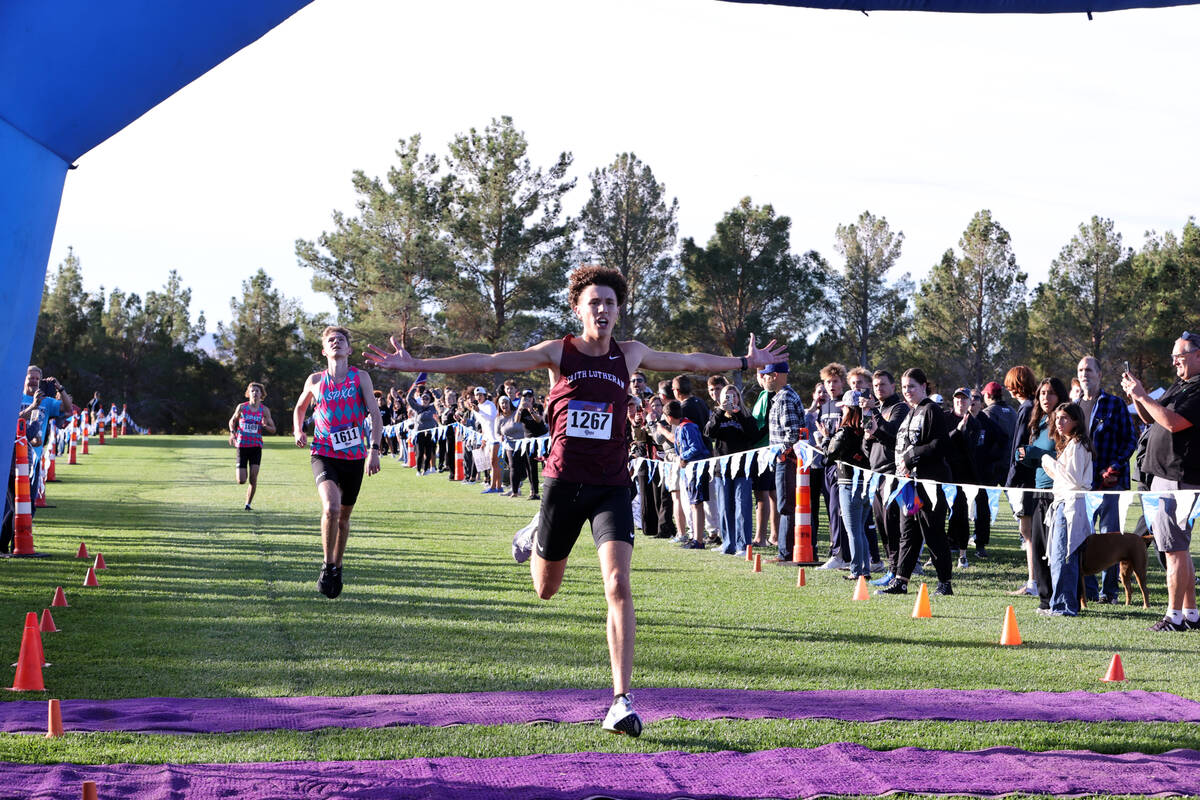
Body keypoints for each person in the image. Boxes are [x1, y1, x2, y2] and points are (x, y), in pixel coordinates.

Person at [364, 264, 785, 735]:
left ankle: (621, 700)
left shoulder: (631, 354)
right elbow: (488, 361)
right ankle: (537, 530)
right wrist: (416, 366)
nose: (602, 310)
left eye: (609, 303)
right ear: (578, 309)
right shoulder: (557, 352)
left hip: (611, 485)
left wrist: (746, 364)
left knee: (618, 586)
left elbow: (692, 362)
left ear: (618, 310)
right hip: (563, 484)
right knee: (546, 589)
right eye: (594, 303)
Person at [292, 326, 383, 599]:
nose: (336, 343)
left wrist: (375, 450)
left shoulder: (360, 378)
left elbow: (375, 415)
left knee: (343, 519)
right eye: (331, 340)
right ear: (324, 350)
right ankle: (327, 564)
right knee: (330, 508)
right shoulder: (315, 380)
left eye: (341, 340)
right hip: (323, 453)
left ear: (349, 349)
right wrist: (298, 430)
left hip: (354, 456)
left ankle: (338, 565)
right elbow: (299, 408)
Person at [1122, 333, 1200, 632]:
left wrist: (1143, 395)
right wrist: (1135, 395)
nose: (1174, 361)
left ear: (1198, 355)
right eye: (1172, 356)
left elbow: (1172, 422)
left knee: (1173, 548)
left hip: (1178, 480)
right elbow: (1150, 419)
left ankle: (1173, 616)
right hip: (1161, 478)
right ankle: (1191, 614)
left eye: (1180, 356)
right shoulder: (1181, 385)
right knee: (1177, 548)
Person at [878, 368, 954, 597]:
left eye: (912, 386)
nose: (907, 391)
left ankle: (944, 583)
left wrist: (913, 456)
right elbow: (900, 443)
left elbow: (940, 444)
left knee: (933, 532)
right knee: (908, 532)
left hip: (929, 484)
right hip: (908, 485)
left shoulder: (931, 409)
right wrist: (878, 432)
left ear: (923, 386)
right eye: (904, 387)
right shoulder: (911, 412)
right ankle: (901, 581)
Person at [1075, 356, 1137, 602]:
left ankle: (1109, 592)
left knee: (1110, 538)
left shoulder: (1115, 404)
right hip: (1083, 484)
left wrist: (1115, 467)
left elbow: (1130, 440)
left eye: (1089, 370)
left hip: (1111, 482)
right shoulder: (1074, 406)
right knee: (1085, 536)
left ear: (1099, 375)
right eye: (1080, 370)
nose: (1084, 374)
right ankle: (1088, 590)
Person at [1016, 377, 1069, 612]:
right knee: (1037, 547)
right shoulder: (1039, 422)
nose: (1046, 398)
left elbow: (1064, 456)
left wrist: (1036, 453)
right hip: (1038, 492)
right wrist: (1027, 456)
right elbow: (1039, 459)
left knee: (1056, 550)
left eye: (1051, 393)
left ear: (1061, 396)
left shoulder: (1064, 422)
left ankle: (1062, 599)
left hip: (1057, 493)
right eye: (1042, 393)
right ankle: (1045, 601)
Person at [1039, 402, 1093, 617]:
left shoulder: (1078, 445)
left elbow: (1073, 478)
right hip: (1064, 501)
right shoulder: (1071, 444)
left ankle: (1063, 606)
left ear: (1076, 421)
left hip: (1070, 505)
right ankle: (1061, 603)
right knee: (1060, 555)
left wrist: (1048, 461)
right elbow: (1064, 477)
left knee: (1063, 556)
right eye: (1057, 418)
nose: (1059, 423)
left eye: (1064, 419)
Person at [862, 370, 907, 586]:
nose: (879, 388)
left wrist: (875, 416)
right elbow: (867, 447)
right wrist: (867, 435)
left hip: (893, 474)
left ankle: (898, 570)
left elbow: (892, 434)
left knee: (893, 524)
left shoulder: (899, 408)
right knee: (881, 525)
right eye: (876, 385)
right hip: (876, 474)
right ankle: (892, 568)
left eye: (883, 385)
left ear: (893, 386)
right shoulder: (877, 409)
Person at [704, 384, 759, 556]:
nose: (731, 399)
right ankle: (728, 544)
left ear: (739, 398)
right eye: (727, 396)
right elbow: (708, 432)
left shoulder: (746, 415)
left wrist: (739, 414)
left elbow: (754, 434)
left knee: (742, 506)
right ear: (721, 399)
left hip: (743, 468)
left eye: (734, 396)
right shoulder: (717, 416)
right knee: (725, 507)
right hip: (722, 469)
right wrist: (721, 412)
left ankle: (744, 546)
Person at [824, 392, 871, 579]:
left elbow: (829, 455)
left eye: (843, 407)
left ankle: (857, 571)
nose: (841, 410)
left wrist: (827, 438)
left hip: (848, 484)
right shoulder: (867, 429)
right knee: (860, 530)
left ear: (848, 409)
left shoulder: (844, 432)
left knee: (853, 531)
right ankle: (864, 569)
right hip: (866, 484)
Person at [762, 362, 805, 565]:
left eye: (766, 375)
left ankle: (786, 552)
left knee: (785, 505)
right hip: (784, 459)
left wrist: (781, 454)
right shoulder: (781, 396)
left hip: (786, 460)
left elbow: (792, 434)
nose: (764, 379)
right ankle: (785, 550)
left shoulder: (785, 397)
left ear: (775, 375)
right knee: (784, 504)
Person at [1003, 366, 1040, 597]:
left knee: (1028, 531)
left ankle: (1034, 582)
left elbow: (1019, 448)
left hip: (1027, 479)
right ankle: (1033, 580)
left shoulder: (1026, 408)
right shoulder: (1030, 406)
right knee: (1027, 530)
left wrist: (1011, 480)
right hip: (1030, 477)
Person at [813, 363, 850, 570]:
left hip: (843, 464)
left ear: (842, 382)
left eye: (835, 381)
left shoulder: (845, 404)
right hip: (826, 463)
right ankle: (837, 550)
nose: (831, 385)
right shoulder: (824, 406)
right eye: (828, 382)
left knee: (840, 510)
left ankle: (840, 553)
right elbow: (821, 432)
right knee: (832, 509)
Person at [228, 382, 277, 510]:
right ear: (248, 393)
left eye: (257, 391)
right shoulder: (242, 407)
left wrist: (265, 426)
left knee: (253, 477)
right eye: (252, 391)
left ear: (261, 394)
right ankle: (241, 473)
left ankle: (248, 504)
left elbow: (273, 429)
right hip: (242, 446)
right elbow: (232, 421)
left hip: (256, 447)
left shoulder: (265, 410)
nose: (255, 393)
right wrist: (232, 434)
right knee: (241, 480)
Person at [748, 370, 778, 549]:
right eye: (758, 374)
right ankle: (773, 536)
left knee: (763, 493)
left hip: (765, 450)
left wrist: (750, 439)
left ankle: (761, 537)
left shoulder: (769, 394)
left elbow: (766, 424)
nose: (760, 378)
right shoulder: (762, 394)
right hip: (763, 449)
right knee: (771, 494)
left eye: (763, 374)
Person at [472, 386, 502, 493]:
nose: (479, 397)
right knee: (493, 463)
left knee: (494, 462)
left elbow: (492, 418)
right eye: (477, 395)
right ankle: (498, 486)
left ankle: (494, 487)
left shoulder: (490, 405)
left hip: (495, 437)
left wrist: (479, 411)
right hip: (488, 437)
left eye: (480, 395)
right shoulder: (476, 408)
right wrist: (483, 439)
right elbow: (483, 425)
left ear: (485, 395)